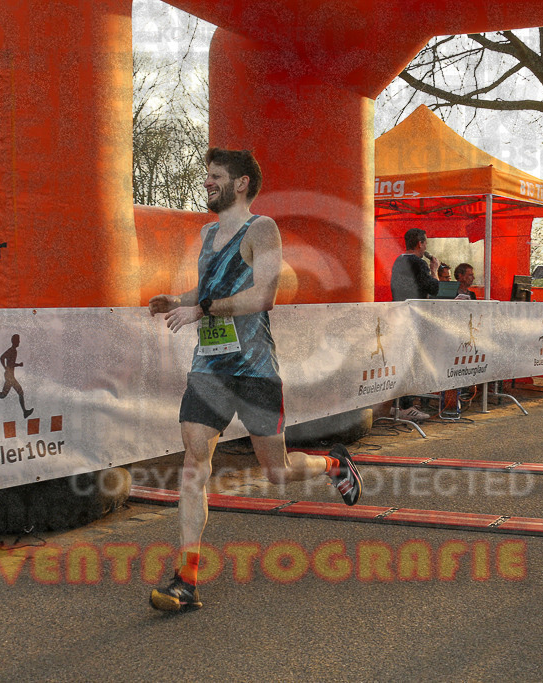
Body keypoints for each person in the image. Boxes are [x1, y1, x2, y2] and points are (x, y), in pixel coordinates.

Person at [146, 148, 363, 612]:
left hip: (255, 370)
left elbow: (263, 295)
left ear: (241, 183)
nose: (206, 182)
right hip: (210, 366)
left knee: (277, 473)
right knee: (194, 460)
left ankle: (333, 465)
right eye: (206, 175)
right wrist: (177, 298)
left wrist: (201, 308)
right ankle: (187, 577)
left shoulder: (261, 229)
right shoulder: (207, 234)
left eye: (215, 176)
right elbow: (208, 292)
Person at [388, 228, 438, 422]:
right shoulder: (419, 263)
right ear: (420, 244)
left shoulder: (398, 260)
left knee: (401, 359)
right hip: (412, 317)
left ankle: (398, 404)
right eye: (425, 243)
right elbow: (433, 288)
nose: (426, 246)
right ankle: (406, 406)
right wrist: (433, 269)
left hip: (399, 313)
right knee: (409, 361)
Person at [0, 334, 34, 418]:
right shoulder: (12, 350)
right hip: (9, 376)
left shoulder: (14, 351)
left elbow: (9, 362)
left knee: (3, 394)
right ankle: (25, 412)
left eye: (19, 340)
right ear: (14, 341)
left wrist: (14, 366)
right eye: (18, 340)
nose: (19, 342)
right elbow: (2, 358)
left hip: (9, 375)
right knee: (20, 392)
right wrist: (7, 367)